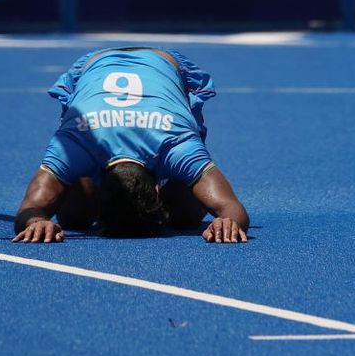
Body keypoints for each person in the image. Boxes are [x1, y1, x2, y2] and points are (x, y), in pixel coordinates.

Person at [12, 47, 249, 242]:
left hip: (155, 64)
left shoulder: (176, 143)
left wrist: (36, 220)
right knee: (76, 216)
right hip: (122, 64)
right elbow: (230, 206)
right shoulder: (177, 145)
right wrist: (227, 218)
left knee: (183, 214)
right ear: (157, 190)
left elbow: (29, 207)